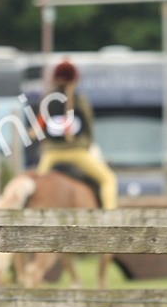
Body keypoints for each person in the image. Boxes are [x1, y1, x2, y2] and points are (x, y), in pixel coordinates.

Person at [37, 60, 118, 210]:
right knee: (109, 180)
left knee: (36, 184)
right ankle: (110, 216)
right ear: (75, 79)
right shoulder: (80, 100)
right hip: (78, 153)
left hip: (52, 154)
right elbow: (88, 128)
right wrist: (86, 145)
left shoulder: (47, 101)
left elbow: (40, 130)